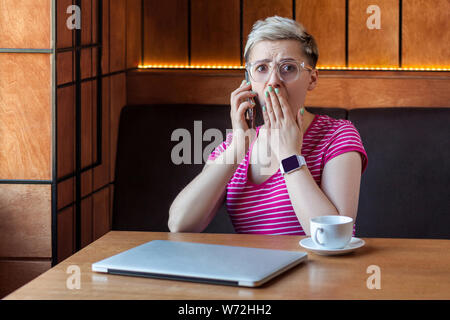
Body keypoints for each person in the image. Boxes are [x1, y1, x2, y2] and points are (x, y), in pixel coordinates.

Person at [168, 16, 368, 236]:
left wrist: (289, 155)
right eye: (262, 68)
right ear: (249, 80)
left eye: (288, 68)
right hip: (251, 269)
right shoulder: (234, 145)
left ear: (312, 79)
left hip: (318, 270)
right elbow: (180, 224)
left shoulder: (338, 135)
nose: (273, 81)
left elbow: (334, 236)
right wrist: (238, 147)